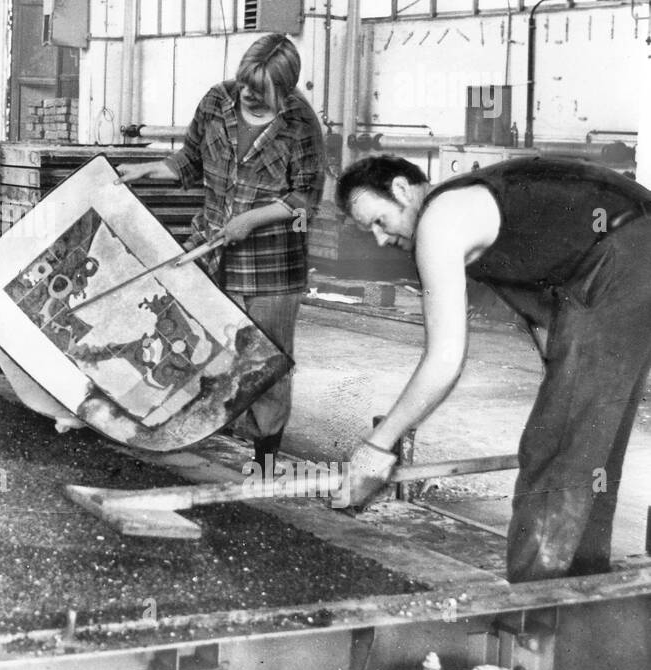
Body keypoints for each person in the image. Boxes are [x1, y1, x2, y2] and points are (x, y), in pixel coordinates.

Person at [335, 154, 651, 582]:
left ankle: (535, 606)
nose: (378, 238)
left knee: (555, 448)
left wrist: (377, 446)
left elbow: (445, 358)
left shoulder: (441, 221)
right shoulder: (475, 208)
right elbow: (543, 305)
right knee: (591, 443)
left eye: (378, 220)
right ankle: (581, 587)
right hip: (634, 246)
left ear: (401, 189)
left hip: (624, 254)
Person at [116, 34, 325, 472]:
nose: (249, 92)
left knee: (265, 364)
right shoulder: (216, 101)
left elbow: (306, 198)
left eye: (262, 89)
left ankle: (265, 461)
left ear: (284, 90)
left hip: (272, 268)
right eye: (246, 81)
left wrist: (253, 219)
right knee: (205, 353)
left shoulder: (301, 122)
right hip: (212, 256)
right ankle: (192, 441)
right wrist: (149, 168)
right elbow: (189, 160)